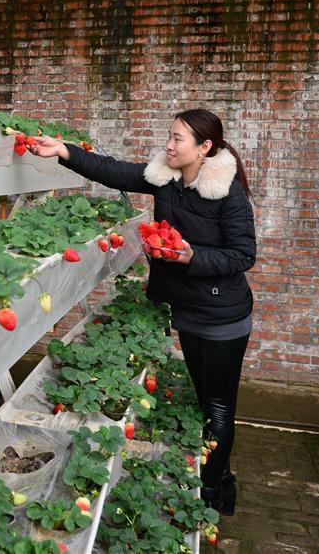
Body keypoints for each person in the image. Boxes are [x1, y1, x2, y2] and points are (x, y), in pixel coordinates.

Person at [30, 108, 256, 515]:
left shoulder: (228, 193)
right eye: (168, 136)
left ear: (204, 148)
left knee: (219, 406)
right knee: (205, 399)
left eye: (178, 140)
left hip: (224, 315)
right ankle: (220, 483)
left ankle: (212, 493)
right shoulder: (166, 179)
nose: (168, 145)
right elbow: (114, 171)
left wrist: (191, 257)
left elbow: (243, 255)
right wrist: (64, 150)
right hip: (187, 309)